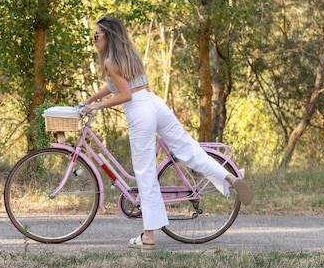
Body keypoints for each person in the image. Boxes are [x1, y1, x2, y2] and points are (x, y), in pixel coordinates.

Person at [82, 15, 253, 249]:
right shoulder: (130, 55)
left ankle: (149, 236)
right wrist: (90, 99)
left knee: (145, 173)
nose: (94, 40)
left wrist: (95, 107)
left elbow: (125, 95)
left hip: (139, 111)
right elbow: (117, 85)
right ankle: (229, 177)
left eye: (96, 35)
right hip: (156, 104)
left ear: (108, 36)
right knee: (189, 149)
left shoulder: (111, 61)